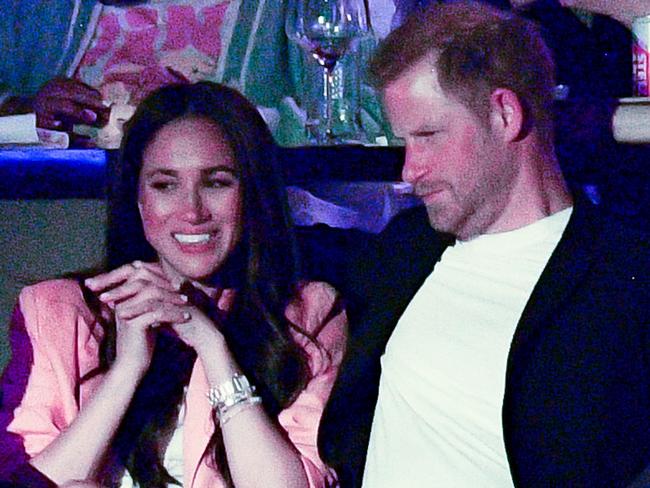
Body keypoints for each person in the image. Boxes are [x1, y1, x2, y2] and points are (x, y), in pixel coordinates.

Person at [317, 2, 650, 487]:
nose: (409, 171)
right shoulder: (405, 248)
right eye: (405, 142)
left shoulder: (624, 280)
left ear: (504, 113)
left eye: (428, 136)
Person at [0, 81, 347, 488]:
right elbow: (26, 483)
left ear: (251, 192)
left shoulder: (308, 313)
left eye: (217, 182)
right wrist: (128, 369)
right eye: (165, 185)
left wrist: (213, 349)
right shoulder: (56, 311)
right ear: (138, 199)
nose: (192, 212)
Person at [0, 0, 397, 147]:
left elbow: (368, 117)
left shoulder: (286, 10)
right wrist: (20, 109)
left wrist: (238, 125)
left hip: (247, 227)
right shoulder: (32, 10)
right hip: (54, 214)